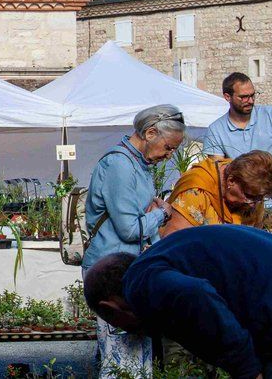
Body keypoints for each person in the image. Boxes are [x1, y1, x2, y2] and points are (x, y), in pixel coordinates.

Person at [84, 225, 272, 379]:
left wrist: (246, 370)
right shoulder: (178, 251)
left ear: (111, 308)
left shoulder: (139, 279)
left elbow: (194, 294)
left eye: (118, 324)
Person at [84, 104, 184, 379]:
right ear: (150, 133)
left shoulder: (138, 164)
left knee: (136, 356)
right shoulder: (120, 165)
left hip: (128, 267)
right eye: (168, 147)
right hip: (110, 273)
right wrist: (163, 213)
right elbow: (129, 229)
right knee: (120, 358)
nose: (169, 155)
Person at [202, 72, 272, 199]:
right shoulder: (215, 130)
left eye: (252, 95)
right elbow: (219, 173)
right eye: (243, 97)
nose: (250, 101)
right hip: (242, 199)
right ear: (227, 97)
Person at [161, 149, 272, 237]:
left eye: (259, 198)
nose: (253, 204)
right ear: (231, 181)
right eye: (248, 196)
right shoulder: (196, 189)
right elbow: (174, 240)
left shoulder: (254, 192)